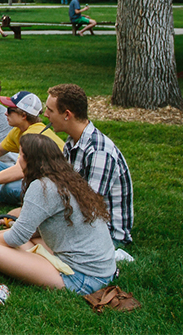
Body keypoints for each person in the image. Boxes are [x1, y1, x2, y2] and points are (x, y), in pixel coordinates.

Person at [0, 134, 116, 295]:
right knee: (30, 240)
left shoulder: (42, 187)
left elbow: (17, 237)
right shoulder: (66, 178)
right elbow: (28, 232)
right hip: (103, 270)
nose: (18, 160)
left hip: (82, 279)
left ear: (31, 161)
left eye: (20, 155)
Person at [44, 84, 134, 246]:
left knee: (29, 243)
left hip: (106, 234)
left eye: (50, 110)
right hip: (80, 224)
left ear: (67, 115)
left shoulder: (99, 151)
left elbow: (89, 206)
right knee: (27, 239)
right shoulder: (72, 143)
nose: (46, 115)